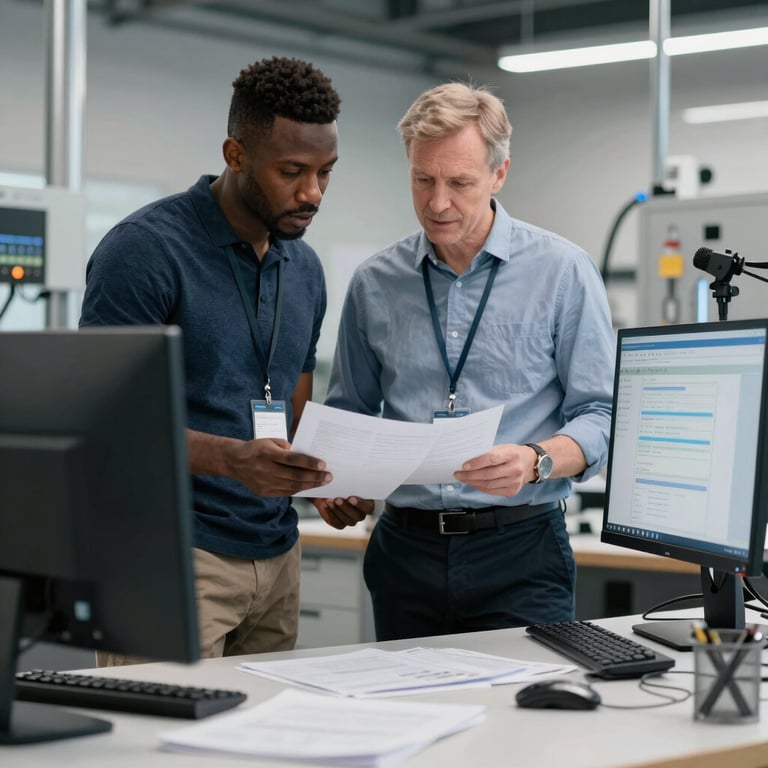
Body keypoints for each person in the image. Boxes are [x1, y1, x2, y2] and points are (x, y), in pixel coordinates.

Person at [80, 56, 372, 664]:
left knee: (264, 750)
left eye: (326, 173)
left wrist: (321, 476)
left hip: (276, 553)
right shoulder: (145, 251)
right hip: (172, 554)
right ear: (236, 155)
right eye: (292, 171)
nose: (312, 193)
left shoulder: (306, 268)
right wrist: (233, 460)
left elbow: (295, 401)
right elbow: (106, 423)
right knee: (161, 754)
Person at [324, 81, 615, 641]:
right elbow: (350, 416)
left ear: (499, 175)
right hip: (403, 553)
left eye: (459, 183)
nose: (437, 203)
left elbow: (603, 413)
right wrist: (343, 484)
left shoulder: (562, 272)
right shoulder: (374, 284)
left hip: (521, 551)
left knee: (523, 717)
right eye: (422, 179)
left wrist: (537, 460)